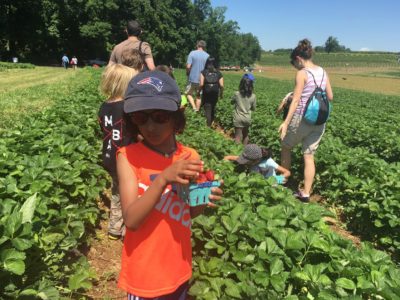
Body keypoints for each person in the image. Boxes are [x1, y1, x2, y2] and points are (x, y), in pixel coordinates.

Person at [116, 70, 223, 298]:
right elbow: (132, 220)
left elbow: (190, 212)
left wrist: (203, 196)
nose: (151, 126)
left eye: (160, 117)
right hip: (143, 276)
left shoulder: (190, 157)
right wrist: (164, 178)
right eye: (141, 118)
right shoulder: (128, 156)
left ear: (176, 116)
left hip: (178, 270)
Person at [278, 39, 333, 202]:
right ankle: (306, 193)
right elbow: (330, 96)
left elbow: (295, 101)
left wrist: (286, 122)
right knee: (309, 156)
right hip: (319, 121)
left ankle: (283, 180)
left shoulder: (302, 73)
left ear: (298, 58)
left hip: (302, 118)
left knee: (286, 147)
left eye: (295, 63)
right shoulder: (323, 71)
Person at [98, 63, 141, 240]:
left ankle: (114, 228)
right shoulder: (127, 108)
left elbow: (103, 128)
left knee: (116, 190)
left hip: (109, 155)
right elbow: (135, 133)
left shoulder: (104, 106)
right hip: (126, 159)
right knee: (130, 193)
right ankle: (127, 230)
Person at [224, 144, 290, 185]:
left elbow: (287, 172)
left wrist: (277, 179)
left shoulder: (268, 162)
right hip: (254, 180)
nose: (245, 162)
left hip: (269, 183)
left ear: (257, 160)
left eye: (247, 161)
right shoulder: (249, 156)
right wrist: (223, 166)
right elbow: (227, 157)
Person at [232, 73, 257, 145]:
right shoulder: (253, 96)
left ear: (241, 84)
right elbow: (253, 108)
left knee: (238, 136)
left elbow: (232, 102)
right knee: (246, 135)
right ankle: (245, 152)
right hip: (247, 118)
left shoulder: (237, 94)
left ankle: (237, 152)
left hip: (238, 117)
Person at [199, 57, 224, 127]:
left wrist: (198, 92)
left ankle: (208, 126)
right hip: (215, 92)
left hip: (207, 92)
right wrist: (221, 94)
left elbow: (201, 84)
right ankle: (211, 122)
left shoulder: (203, 72)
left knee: (207, 108)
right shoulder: (219, 73)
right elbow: (221, 85)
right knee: (213, 107)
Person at [185, 40, 209, 111]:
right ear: (204, 47)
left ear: (197, 45)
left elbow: (188, 66)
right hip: (202, 79)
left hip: (192, 78)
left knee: (189, 93)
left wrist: (187, 73)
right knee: (198, 96)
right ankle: (197, 110)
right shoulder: (207, 56)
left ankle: (194, 107)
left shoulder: (192, 53)